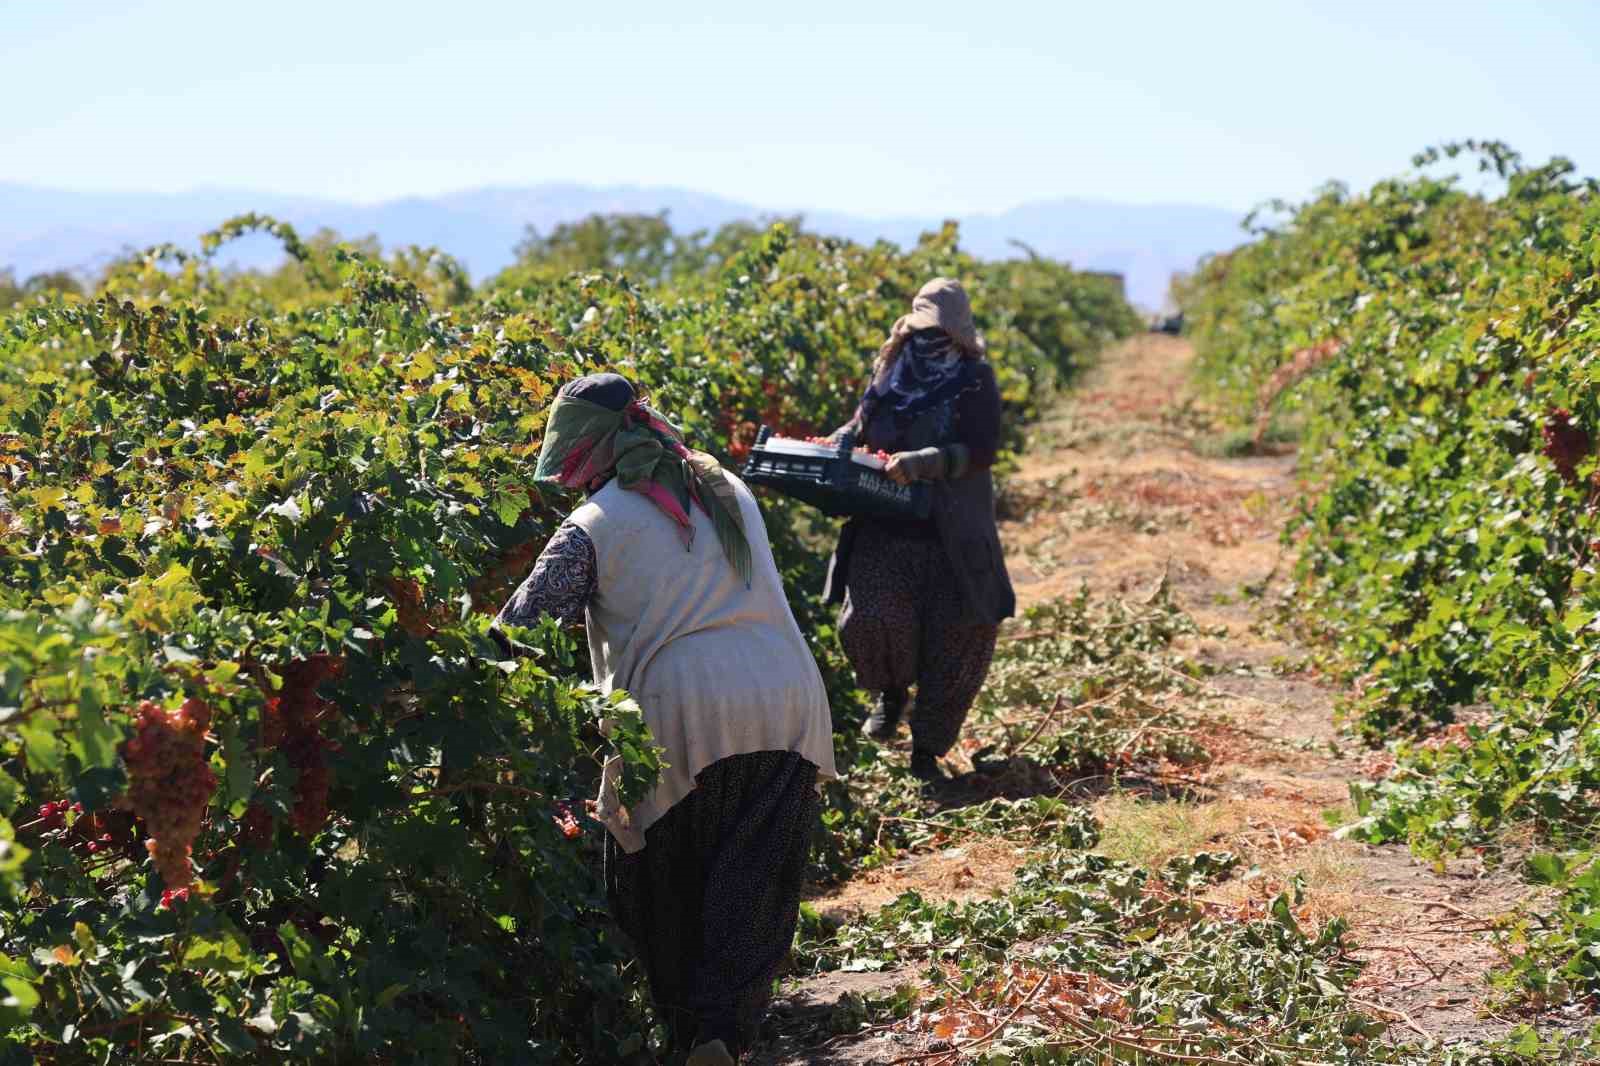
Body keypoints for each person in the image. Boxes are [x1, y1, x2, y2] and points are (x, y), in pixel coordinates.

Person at [495, 373, 837, 1066]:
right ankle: (721, 1039)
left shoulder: (593, 526)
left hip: (679, 722)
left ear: (590, 449)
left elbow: (519, 632)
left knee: (660, 893)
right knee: (752, 887)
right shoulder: (725, 488)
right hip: (785, 702)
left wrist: (440, 671)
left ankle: (690, 1038)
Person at [824, 278, 1016, 782]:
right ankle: (891, 694)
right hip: (887, 527)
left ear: (957, 332)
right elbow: (862, 423)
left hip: (952, 534)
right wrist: (834, 445)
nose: (928, 342)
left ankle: (925, 752)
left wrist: (925, 461)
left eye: (938, 332)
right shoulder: (892, 370)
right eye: (920, 330)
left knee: (957, 639)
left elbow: (981, 449)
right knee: (869, 620)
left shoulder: (975, 379)